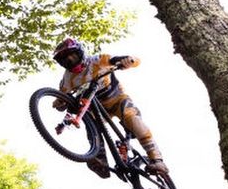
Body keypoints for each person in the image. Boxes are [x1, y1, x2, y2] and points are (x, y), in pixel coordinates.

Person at [52, 37, 169, 177]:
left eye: (73, 55)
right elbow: (63, 102)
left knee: (131, 118)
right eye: (65, 59)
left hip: (117, 99)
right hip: (96, 109)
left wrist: (128, 61)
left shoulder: (97, 60)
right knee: (91, 125)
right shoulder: (67, 79)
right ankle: (98, 158)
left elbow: (128, 60)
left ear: (80, 52)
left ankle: (157, 159)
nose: (70, 60)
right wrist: (59, 103)